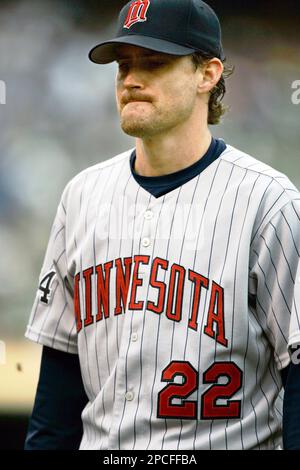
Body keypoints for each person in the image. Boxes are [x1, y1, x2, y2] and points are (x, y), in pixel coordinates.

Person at [24, 0, 300, 450]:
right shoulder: (81, 195)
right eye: (123, 65)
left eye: (153, 63)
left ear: (207, 74)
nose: (131, 79)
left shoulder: (269, 201)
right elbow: (57, 393)